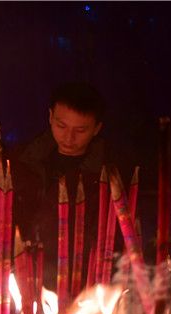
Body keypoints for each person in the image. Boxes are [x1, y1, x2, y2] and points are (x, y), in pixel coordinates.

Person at [11, 82, 118, 291]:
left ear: (97, 128)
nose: (69, 138)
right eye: (61, 126)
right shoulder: (24, 162)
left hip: (82, 286)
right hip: (22, 278)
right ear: (50, 117)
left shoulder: (107, 176)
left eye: (80, 130)